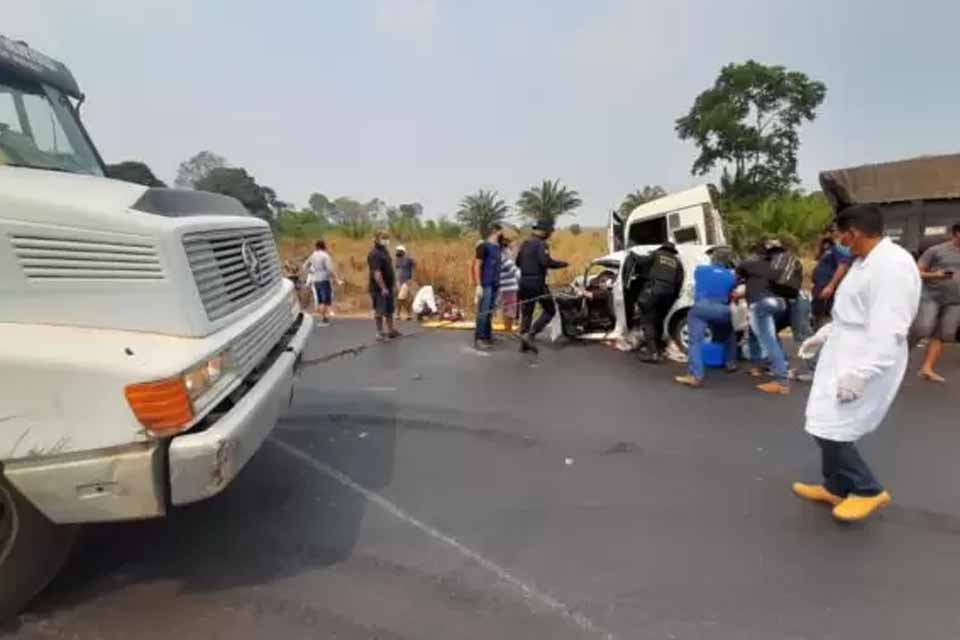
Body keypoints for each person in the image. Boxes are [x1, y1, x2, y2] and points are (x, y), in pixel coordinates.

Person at [793, 204, 921, 522]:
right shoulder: (864, 262)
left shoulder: (892, 266)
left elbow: (890, 328)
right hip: (844, 349)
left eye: (840, 235)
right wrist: (824, 335)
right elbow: (852, 313)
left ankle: (867, 489)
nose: (838, 241)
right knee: (821, 420)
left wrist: (864, 373)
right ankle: (836, 486)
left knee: (834, 427)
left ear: (853, 232)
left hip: (866, 357)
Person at [676, 247, 737, 387]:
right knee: (729, 333)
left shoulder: (701, 270)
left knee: (695, 342)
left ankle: (695, 376)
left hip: (701, 309)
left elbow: (698, 280)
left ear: (713, 259)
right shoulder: (731, 276)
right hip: (723, 310)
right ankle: (731, 363)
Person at [737, 241, 790, 395]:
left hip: (761, 304)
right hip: (778, 302)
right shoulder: (776, 267)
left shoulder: (751, 264)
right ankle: (758, 366)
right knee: (758, 333)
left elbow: (737, 272)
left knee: (769, 341)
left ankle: (781, 381)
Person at [913, 223, 960, 383]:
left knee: (943, 334)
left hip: (955, 301)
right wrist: (937, 275)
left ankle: (927, 368)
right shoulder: (936, 251)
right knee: (922, 329)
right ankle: (896, 359)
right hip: (931, 297)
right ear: (957, 233)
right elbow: (916, 272)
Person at [516, 221, 569, 353]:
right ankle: (531, 334)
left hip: (523, 282)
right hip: (537, 283)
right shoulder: (541, 244)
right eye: (549, 232)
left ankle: (524, 341)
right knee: (550, 310)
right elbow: (545, 262)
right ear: (544, 231)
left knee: (527, 313)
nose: (550, 235)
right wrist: (562, 264)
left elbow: (518, 262)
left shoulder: (525, 244)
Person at [634, 242, 684, 363]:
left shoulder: (658, 254)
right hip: (669, 295)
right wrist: (675, 295)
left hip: (654, 290)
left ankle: (653, 353)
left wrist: (633, 255)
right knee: (658, 319)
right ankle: (659, 347)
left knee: (647, 320)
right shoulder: (677, 262)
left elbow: (642, 261)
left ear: (663, 248)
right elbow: (679, 280)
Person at [811, 228, 852, 330]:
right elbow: (817, 258)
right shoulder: (827, 248)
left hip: (826, 287)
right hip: (819, 286)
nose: (826, 235)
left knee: (824, 317)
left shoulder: (839, 249)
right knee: (816, 313)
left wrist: (831, 286)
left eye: (831, 232)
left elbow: (843, 265)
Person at [473, 224, 503, 349]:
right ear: (495, 231)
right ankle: (479, 338)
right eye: (500, 231)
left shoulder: (498, 248)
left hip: (495, 284)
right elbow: (477, 266)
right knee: (484, 311)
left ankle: (487, 335)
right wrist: (478, 285)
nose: (502, 233)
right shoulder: (483, 246)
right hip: (486, 284)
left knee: (490, 311)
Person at [367, 230, 400, 342]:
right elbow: (377, 273)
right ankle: (379, 333)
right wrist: (383, 287)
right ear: (377, 239)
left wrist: (393, 285)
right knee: (380, 310)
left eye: (386, 238)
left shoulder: (385, 251)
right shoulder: (374, 254)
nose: (386, 240)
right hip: (379, 288)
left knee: (389, 310)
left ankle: (391, 331)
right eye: (383, 238)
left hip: (388, 286)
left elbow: (390, 269)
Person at [302, 239, 340, 326]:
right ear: (324, 246)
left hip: (316, 280)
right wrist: (336, 278)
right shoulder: (325, 256)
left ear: (316, 247)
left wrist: (311, 271)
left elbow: (304, 266)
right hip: (324, 279)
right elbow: (330, 269)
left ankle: (323, 317)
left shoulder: (313, 255)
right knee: (324, 300)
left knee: (320, 300)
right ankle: (324, 319)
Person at [497, 235, 520, 334]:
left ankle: (508, 330)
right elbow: (514, 270)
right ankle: (508, 331)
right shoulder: (504, 256)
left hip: (506, 285)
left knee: (508, 308)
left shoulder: (501, 254)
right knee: (510, 309)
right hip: (508, 286)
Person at [395, 245, 417, 322]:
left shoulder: (408, 259)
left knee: (400, 298)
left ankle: (397, 314)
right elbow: (397, 270)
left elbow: (414, 267)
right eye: (397, 251)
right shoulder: (398, 260)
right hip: (399, 281)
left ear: (403, 252)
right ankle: (409, 314)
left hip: (406, 281)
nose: (397, 252)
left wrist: (412, 279)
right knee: (404, 299)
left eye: (399, 251)